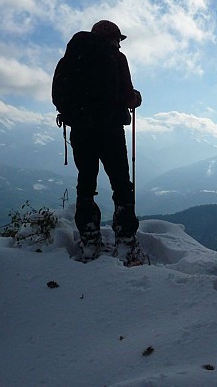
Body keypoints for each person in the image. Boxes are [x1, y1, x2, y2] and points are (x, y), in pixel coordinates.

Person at [62, 20, 145, 265]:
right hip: (110, 132)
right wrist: (137, 99)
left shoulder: (73, 58)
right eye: (118, 40)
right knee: (121, 184)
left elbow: (61, 94)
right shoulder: (117, 60)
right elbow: (129, 97)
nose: (119, 44)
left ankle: (89, 240)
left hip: (80, 132)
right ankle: (125, 241)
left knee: (86, 184)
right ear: (114, 39)